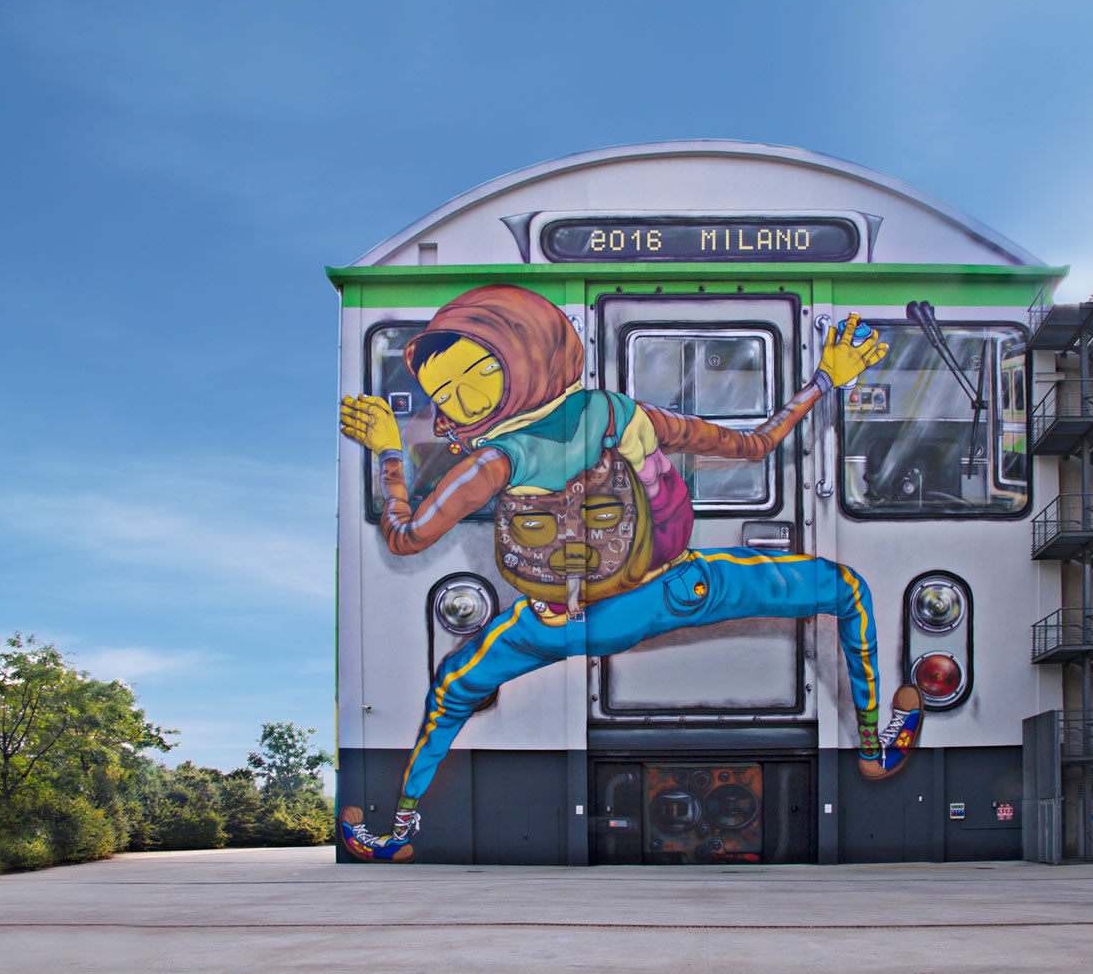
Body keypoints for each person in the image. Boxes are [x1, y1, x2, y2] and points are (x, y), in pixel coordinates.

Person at [336, 284, 923, 862]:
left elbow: (406, 537)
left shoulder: (492, 462)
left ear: (526, 354)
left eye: (480, 372)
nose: (465, 400)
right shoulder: (623, 413)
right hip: (671, 592)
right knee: (846, 590)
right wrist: (824, 379)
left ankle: (400, 832)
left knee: (452, 688)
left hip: (555, 624)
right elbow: (755, 445)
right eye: (446, 392)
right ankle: (874, 751)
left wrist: (389, 452)